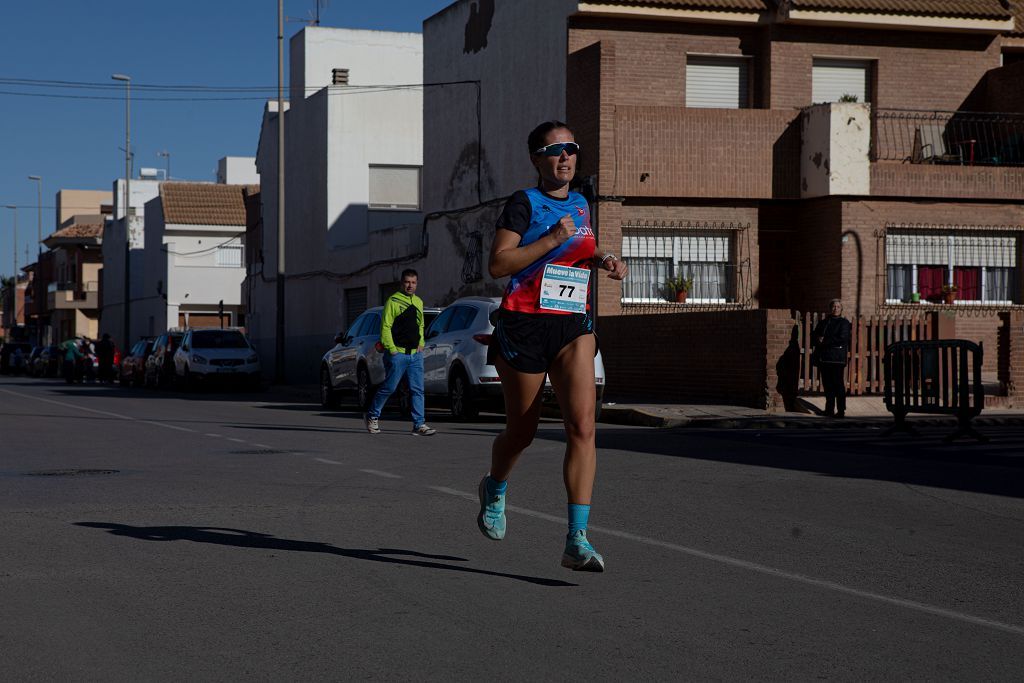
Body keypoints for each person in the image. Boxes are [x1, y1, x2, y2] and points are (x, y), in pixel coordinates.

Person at [477, 120, 628, 572]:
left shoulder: (581, 204)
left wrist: (604, 259)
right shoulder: (524, 204)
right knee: (521, 432)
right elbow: (499, 263)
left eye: (571, 149)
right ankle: (495, 486)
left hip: (571, 326)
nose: (565, 157)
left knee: (583, 428)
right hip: (524, 325)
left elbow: (583, 247)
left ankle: (576, 539)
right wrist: (551, 238)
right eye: (554, 150)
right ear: (536, 159)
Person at [364, 269, 436, 436]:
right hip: (398, 354)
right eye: (407, 282)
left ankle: (419, 424)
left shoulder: (418, 301)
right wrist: (392, 350)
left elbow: (420, 325)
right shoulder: (393, 301)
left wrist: (421, 343)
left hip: (415, 354)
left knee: (417, 390)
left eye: (413, 282)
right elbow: (385, 327)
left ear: (416, 284)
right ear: (401, 283)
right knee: (390, 387)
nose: (410, 285)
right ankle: (372, 415)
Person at [812, 298, 852, 418]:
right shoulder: (824, 322)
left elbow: (843, 338)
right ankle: (829, 409)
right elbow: (814, 334)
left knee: (838, 385)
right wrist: (817, 339)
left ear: (841, 309)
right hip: (824, 358)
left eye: (838, 307)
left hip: (837, 359)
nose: (836, 309)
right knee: (828, 385)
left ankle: (840, 411)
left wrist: (824, 341)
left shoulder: (844, 323)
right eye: (834, 306)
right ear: (830, 308)